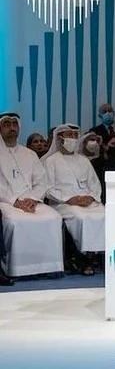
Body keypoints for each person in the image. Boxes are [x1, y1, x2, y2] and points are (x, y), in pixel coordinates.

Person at [0, 113, 64, 277]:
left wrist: (33, 199)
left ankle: (49, 268)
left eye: (14, 124)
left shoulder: (29, 154)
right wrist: (15, 201)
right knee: (15, 221)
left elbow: (41, 181)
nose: (12, 128)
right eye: (7, 124)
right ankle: (18, 270)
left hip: (32, 200)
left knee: (53, 217)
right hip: (6, 201)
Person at [43, 124, 105, 273]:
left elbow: (95, 184)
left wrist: (91, 197)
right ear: (60, 138)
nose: (72, 138)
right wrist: (69, 199)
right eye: (69, 135)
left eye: (75, 135)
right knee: (81, 217)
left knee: (105, 215)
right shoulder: (51, 161)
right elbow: (47, 188)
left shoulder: (84, 160)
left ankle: (102, 255)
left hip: (88, 201)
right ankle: (84, 258)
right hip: (63, 203)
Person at [78, 131, 107, 205]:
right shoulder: (77, 160)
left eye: (97, 140)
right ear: (84, 142)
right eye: (92, 140)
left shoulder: (102, 161)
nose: (95, 142)